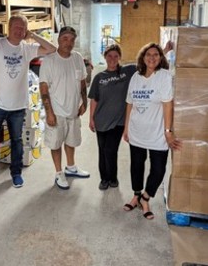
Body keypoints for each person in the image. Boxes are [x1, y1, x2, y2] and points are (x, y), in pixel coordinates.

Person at [0, 15, 57, 195]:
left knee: (17, 141)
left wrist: (32, 35)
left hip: (18, 106)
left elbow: (52, 48)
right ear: (9, 27)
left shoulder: (27, 48)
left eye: (23, 28)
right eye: (16, 27)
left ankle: (16, 173)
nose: (19, 31)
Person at [122, 42, 182, 219]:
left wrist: (168, 131)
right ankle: (136, 195)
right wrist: (126, 127)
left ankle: (146, 197)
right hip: (137, 130)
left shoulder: (163, 76)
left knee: (158, 169)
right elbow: (129, 104)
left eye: (156, 55)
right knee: (136, 166)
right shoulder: (135, 77)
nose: (152, 58)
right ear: (143, 57)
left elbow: (167, 105)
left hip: (157, 133)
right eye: (148, 54)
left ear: (161, 57)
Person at [39, 26, 90, 190]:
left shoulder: (77, 58)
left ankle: (71, 167)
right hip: (57, 112)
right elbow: (44, 88)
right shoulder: (49, 61)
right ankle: (59, 172)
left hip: (73, 111)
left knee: (71, 140)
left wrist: (84, 102)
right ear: (59, 40)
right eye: (65, 39)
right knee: (55, 144)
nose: (68, 43)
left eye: (72, 39)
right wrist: (49, 113)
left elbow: (82, 81)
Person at [88, 44, 136, 190]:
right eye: (110, 56)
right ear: (105, 57)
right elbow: (94, 99)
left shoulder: (127, 72)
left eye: (116, 56)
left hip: (119, 121)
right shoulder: (99, 78)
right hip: (101, 119)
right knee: (102, 150)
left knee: (110, 149)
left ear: (119, 57)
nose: (113, 59)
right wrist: (91, 118)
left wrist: (164, 50)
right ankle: (104, 179)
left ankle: (113, 177)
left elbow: (147, 61)